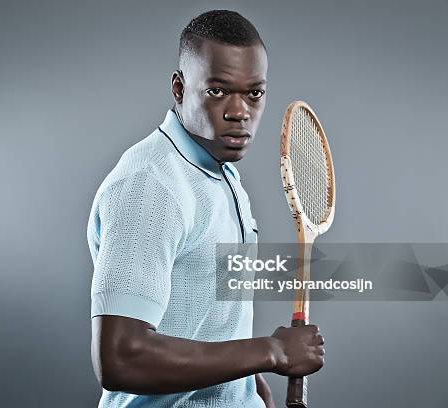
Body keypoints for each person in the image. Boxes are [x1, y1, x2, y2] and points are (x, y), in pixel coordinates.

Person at [86, 10, 324, 408]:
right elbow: (120, 357)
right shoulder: (151, 185)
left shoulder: (221, 171)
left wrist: (249, 388)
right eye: (217, 91)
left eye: (254, 94)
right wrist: (272, 352)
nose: (239, 111)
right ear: (179, 88)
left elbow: (211, 321)